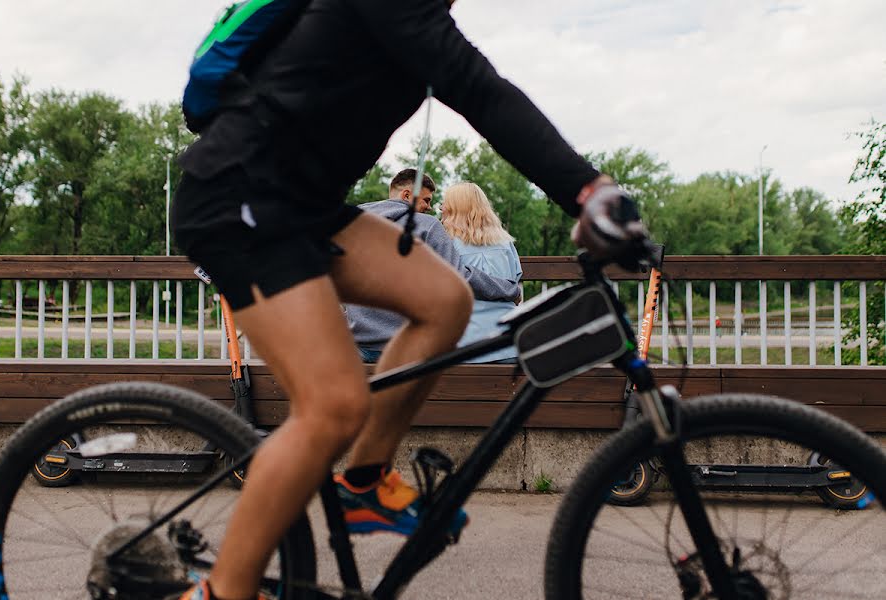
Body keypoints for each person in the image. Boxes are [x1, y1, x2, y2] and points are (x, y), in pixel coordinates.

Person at [172, 1, 644, 597]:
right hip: (238, 200)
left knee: (444, 299)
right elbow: (481, 92)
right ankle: (221, 593)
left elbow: (475, 86)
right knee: (332, 406)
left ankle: (364, 484)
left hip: (302, 206)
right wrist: (588, 191)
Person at [347, 170, 521, 363]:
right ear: (407, 196)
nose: (431, 208)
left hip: (358, 343)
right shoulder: (428, 226)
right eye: (427, 201)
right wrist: (510, 290)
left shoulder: (353, 220)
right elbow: (461, 276)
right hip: (404, 347)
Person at [441, 182, 522, 364]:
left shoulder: (447, 244)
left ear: (455, 208)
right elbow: (516, 288)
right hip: (507, 344)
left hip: (464, 345)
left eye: (444, 204)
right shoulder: (505, 241)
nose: (442, 208)